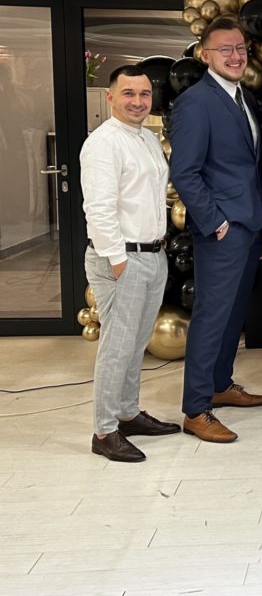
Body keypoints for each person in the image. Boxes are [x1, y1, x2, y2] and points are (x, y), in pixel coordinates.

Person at [170, 16, 262, 443]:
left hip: (248, 225)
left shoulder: (244, 98)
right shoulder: (196, 102)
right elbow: (185, 172)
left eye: (240, 48)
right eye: (225, 49)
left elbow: (250, 169)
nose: (236, 56)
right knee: (212, 316)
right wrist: (216, 223)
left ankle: (219, 384)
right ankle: (196, 409)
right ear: (205, 55)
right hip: (222, 230)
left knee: (233, 314)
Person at [81, 65, 180, 462]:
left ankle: (127, 413)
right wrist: (118, 260)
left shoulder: (147, 139)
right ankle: (105, 432)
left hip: (152, 254)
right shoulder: (103, 143)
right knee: (117, 348)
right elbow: (99, 209)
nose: (138, 102)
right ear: (110, 97)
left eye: (144, 94)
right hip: (121, 258)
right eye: (128, 94)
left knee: (136, 344)